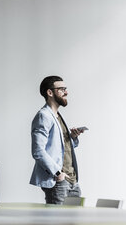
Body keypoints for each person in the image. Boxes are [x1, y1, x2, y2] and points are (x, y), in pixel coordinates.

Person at [30, 76, 84, 204]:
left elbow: (58, 148)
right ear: (50, 92)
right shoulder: (43, 116)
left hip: (73, 181)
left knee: (75, 221)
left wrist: (73, 138)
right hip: (59, 182)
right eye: (62, 89)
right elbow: (38, 151)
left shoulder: (58, 116)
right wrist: (57, 173)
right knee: (58, 221)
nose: (66, 92)